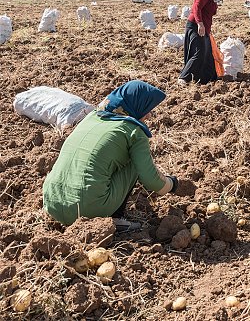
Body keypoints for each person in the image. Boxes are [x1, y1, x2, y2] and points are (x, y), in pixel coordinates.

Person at [43, 80, 178, 230]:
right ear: (137, 105)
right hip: (87, 211)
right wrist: (172, 184)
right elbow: (151, 180)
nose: (150, 114)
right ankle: (116, 218)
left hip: (51, 201)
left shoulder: (91, 117)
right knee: (135, 162)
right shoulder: (134, 132)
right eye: (148, 108)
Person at [178, 0, 227, 85]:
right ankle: (183, 77)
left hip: (204, 27)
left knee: (207, 53)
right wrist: (200, 24)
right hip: (196, 26)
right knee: (199, 52)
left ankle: (208, 78)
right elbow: (196, 8)